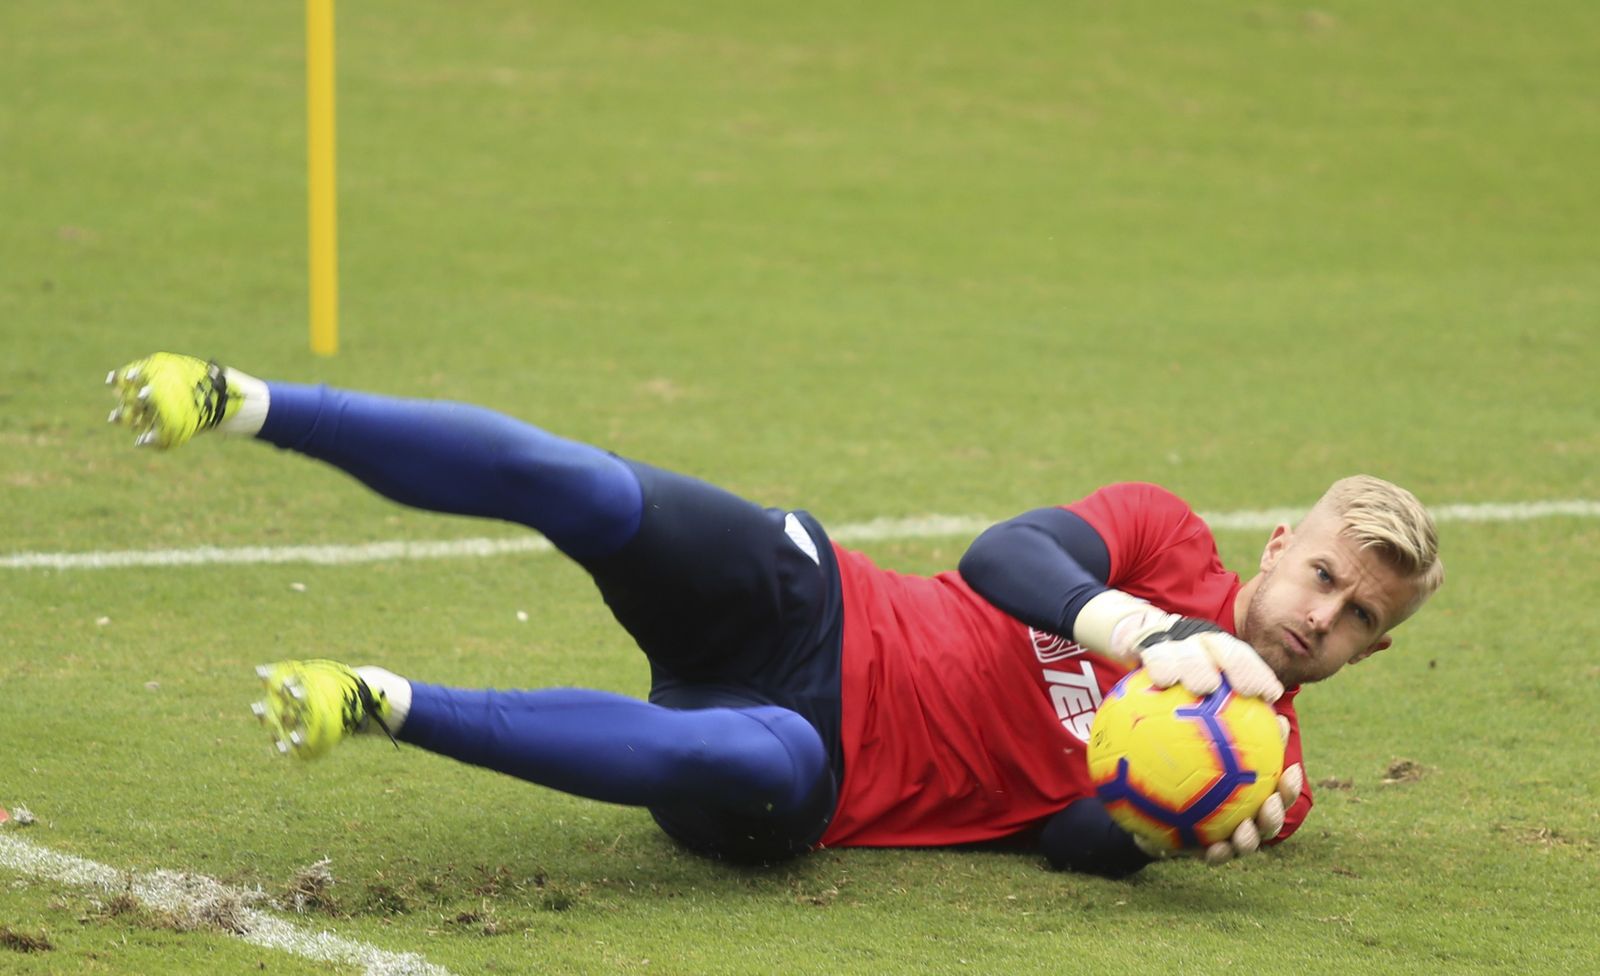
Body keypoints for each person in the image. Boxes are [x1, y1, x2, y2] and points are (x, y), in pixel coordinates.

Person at [105, 352, 1444, 877]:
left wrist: (1171, 814)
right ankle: (245, 400)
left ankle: (378, 703)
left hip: (824, 770)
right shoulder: (1155, 535)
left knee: (739, 758)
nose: (1320, 617)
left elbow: (1068, 842)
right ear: (1279, 548)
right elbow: (1003, 557)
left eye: (1355, 617)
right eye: (1322, 576)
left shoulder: (1279, 784)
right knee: (582, 485)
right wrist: (1147, 639)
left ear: (1372, 652)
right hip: (813, 598)